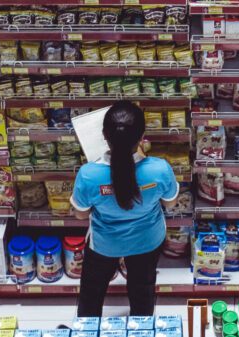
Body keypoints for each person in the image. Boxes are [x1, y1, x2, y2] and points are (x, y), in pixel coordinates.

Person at [70, 100, 179, 317]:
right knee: (142, 290)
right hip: (147, 241)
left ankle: (89, 330)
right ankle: (142, 329)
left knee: (92, 293)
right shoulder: (159, 169)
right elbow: (170, 203)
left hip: (104, 244)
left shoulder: (89, 174)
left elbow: (81, 214)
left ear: (104, 136)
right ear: (142, 137)